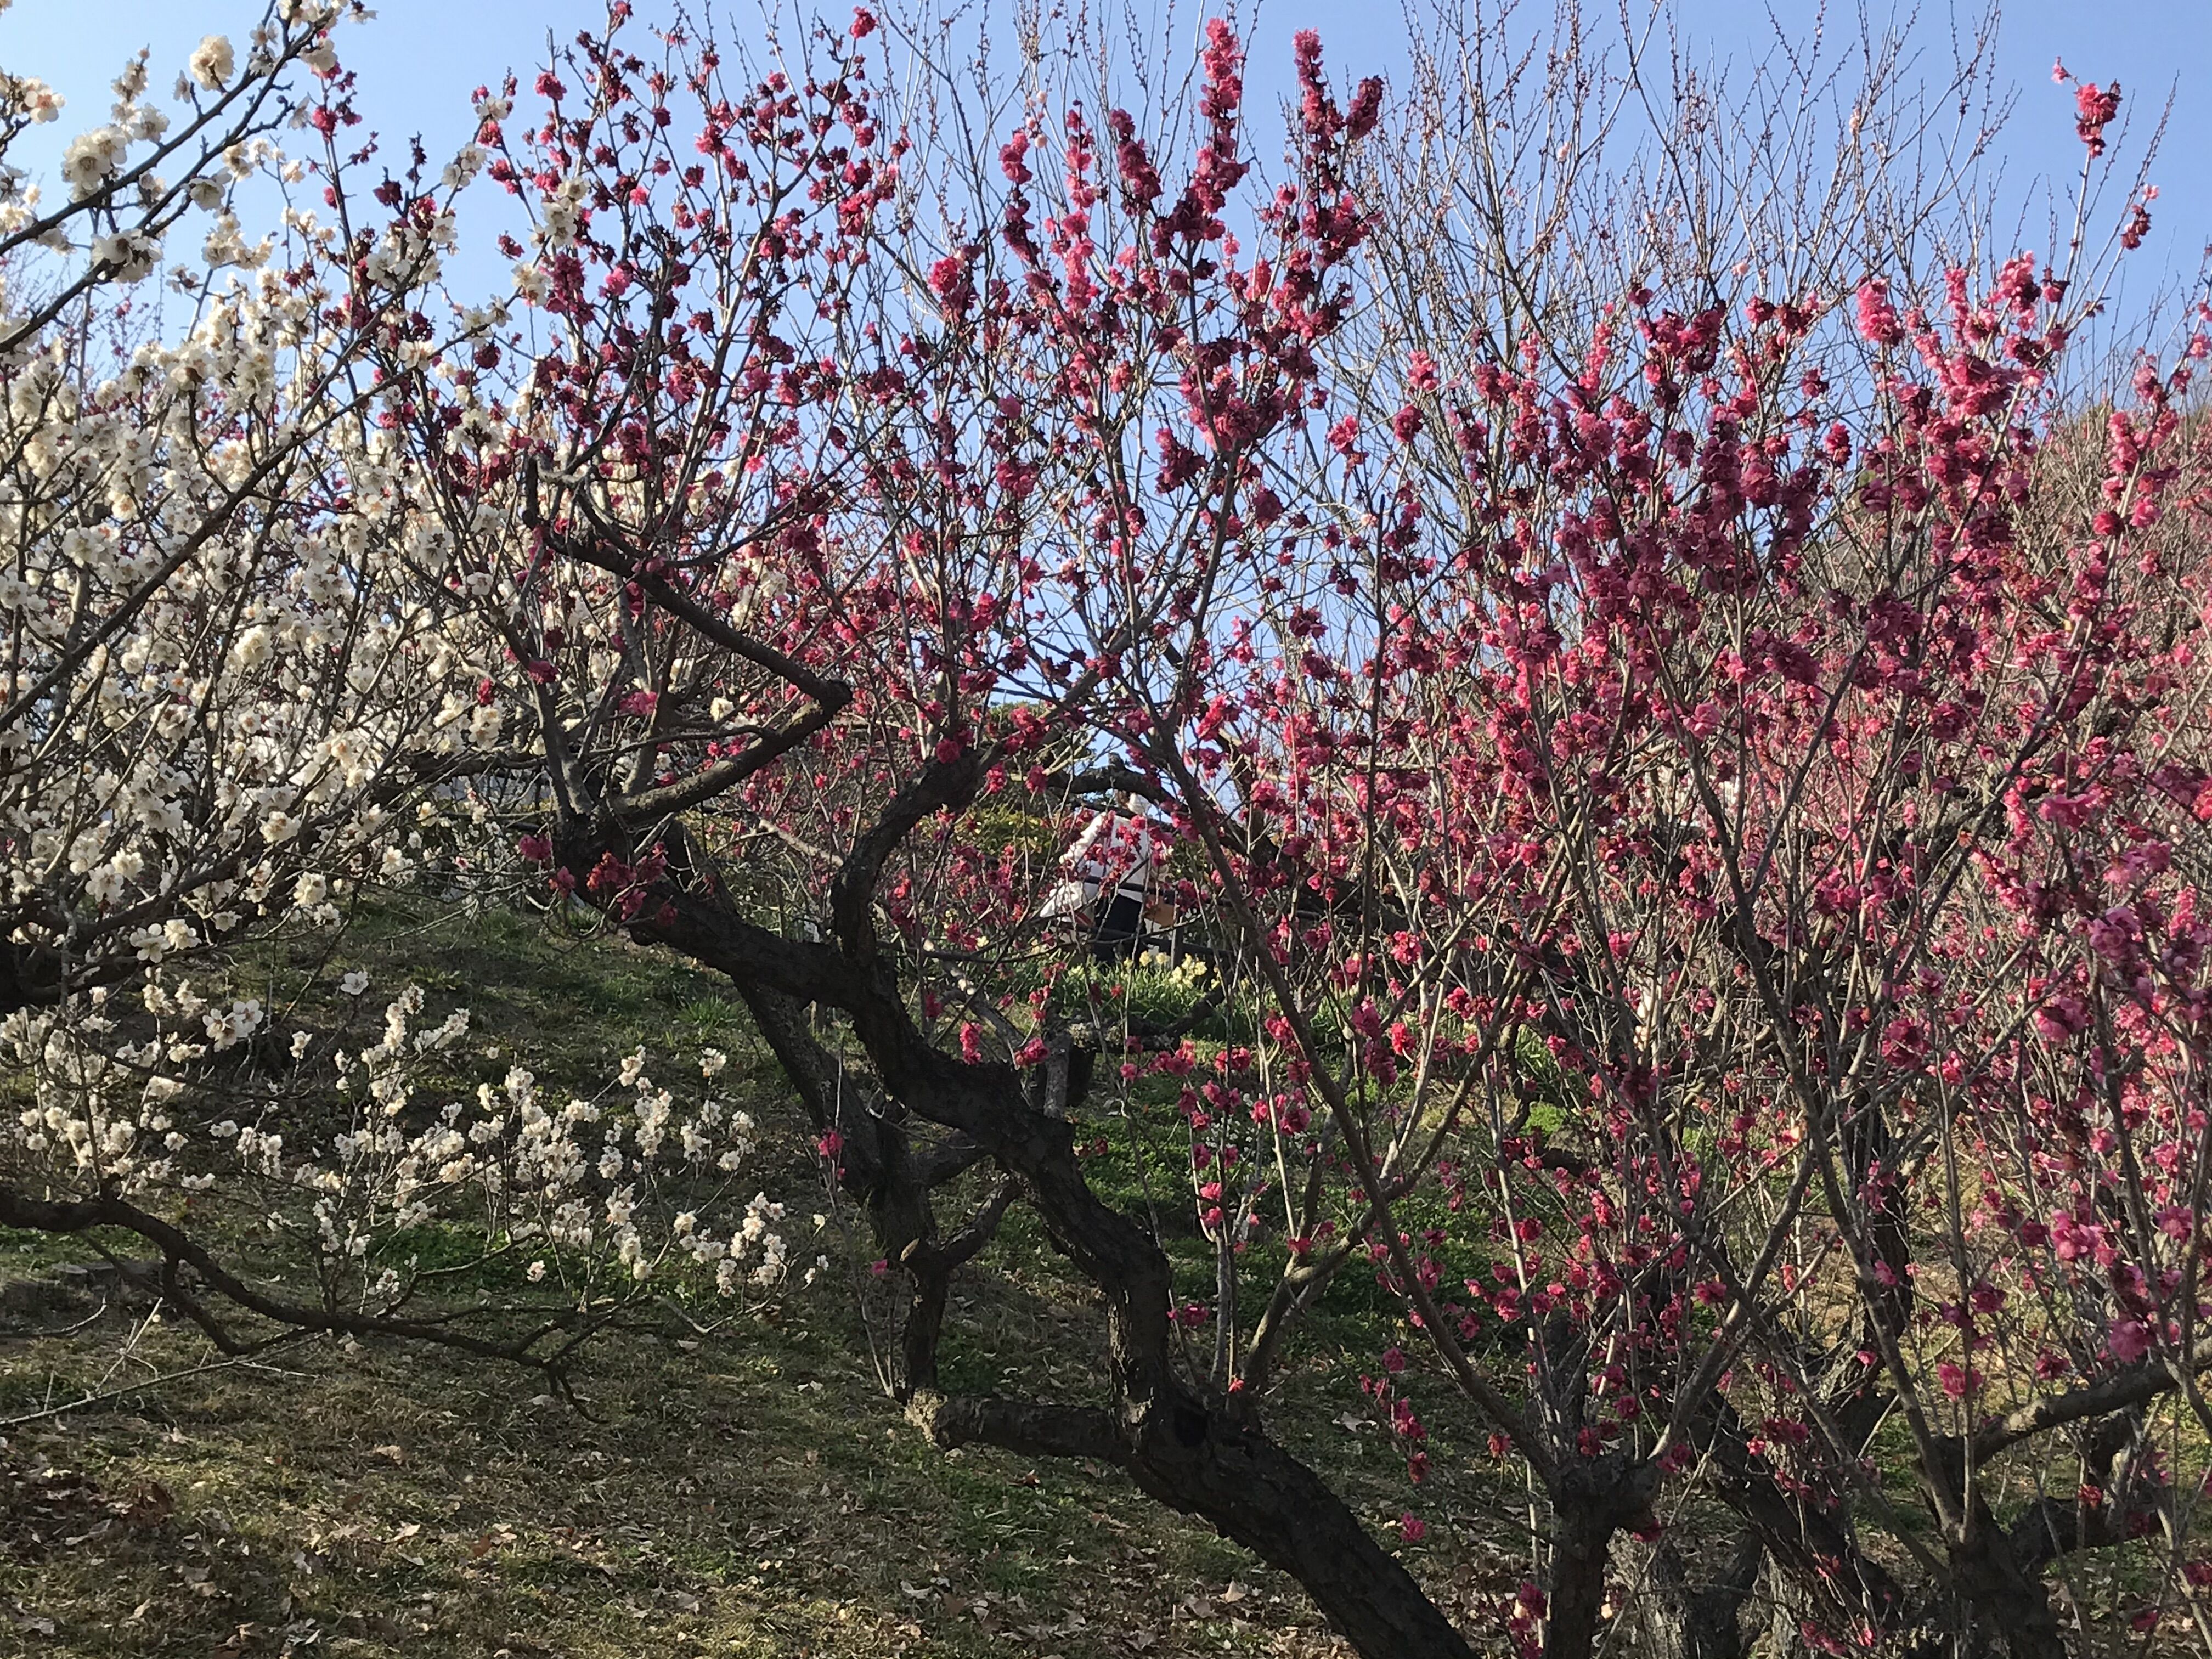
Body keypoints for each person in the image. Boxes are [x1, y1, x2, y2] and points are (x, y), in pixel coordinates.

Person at [1040, 795, 1159, 961]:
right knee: (1106, 941)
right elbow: (1083, 845)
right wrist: (1067, 865)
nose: (1141, 800)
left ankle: (1130, 977)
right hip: (1111, 892)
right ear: (1124, 798)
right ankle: (1103, 973)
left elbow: (1156, 868)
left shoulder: (1148, 831)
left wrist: (1164, 860)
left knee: (1136, 946)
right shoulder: (1109, 820)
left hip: (1137, 896)